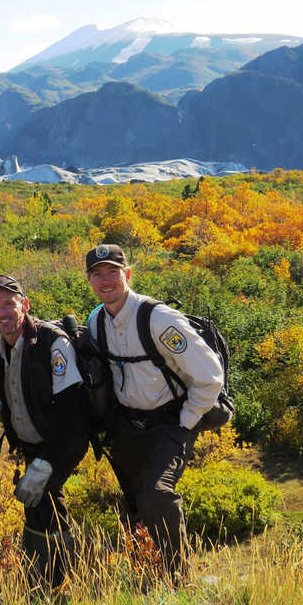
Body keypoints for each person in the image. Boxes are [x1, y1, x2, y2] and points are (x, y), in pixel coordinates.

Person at [85, 244, 223, 581]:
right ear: (88, 280)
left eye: (112, 272)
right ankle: (145, 569)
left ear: (127, 275)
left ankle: (178, 578)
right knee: (133, 501)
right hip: (128, 425)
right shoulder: (95, 321)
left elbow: (210, 375)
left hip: (171, 421)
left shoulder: (158, 319)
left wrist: (186, 422)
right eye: (97, 274)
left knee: (156, 496)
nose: (105, 280)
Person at [0, 274, 88, 591]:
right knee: (40, 503)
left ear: (24, 305)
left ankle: (51, 581)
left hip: (64, 440)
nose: (2, 312)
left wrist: (49, 462)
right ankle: (50, 580)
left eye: (9, 304)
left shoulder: (53, 343)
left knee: (42, 496)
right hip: (32, 445)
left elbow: (73, 411)